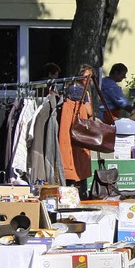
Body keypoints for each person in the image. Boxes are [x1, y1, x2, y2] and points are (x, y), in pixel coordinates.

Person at [59, 64, 94, 199]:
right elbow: (89, 111)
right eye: (86, 77)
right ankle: (79, 195)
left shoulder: (70, 88)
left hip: (72, 131)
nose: (89, 80)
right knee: (77, 162)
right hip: (78, 132)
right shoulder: (79, 91)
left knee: (73, 161)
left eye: (90, 77)